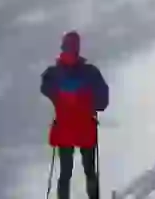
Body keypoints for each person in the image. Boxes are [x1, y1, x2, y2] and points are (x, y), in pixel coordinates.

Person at [41, 31, 109, 199]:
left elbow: (46, 88)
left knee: (65, 173)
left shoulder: (53, 73)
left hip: (64, 129)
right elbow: (103, 100)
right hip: (86, 128)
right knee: (90, 171)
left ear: (63, 47)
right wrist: (93, 105)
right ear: (78, 49)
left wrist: (59, 97)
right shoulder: (90, 72)